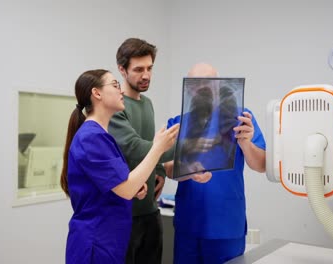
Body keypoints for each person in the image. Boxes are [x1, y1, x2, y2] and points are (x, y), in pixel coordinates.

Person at [107, 38, 210, 264]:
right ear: (122, 70)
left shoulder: (148, 104)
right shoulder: (115, 106)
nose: (146, 75)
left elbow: (151, 146)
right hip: (124, 213)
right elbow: (136, 148)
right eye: (138, 69)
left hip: (150, 210)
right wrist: (185, 148)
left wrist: (161, 172)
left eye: (150, 68)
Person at [61, 69, 179, 264]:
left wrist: (133, 188)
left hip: (110, 241)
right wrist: (157, 149)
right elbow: (125, 189)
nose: (121, 91)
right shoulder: (91, 137)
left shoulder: (102, 136)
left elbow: (119, 185)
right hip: (95, 243)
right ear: (97, 93)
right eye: (115, 86)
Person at [165, 63, 266, 264]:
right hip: (189, 223)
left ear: (219, 87)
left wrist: (245, 143)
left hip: (226, 224)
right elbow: (168, 168)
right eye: (195, 85)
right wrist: (189, 170)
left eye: (208, 84)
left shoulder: (241, 119)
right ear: (189, 89)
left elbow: (261, 164)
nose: (201, 89)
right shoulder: (178, 123)